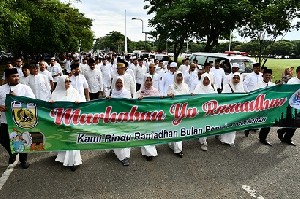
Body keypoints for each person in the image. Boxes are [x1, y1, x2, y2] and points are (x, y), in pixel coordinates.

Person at [0, 68, 35, 169]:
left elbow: (32, 102)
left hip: (21, 120)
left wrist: (18, 98)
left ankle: (23, 160)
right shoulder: (1, 89)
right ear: (7, 78)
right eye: (13, 76)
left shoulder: (25, 88)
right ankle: (12, 153)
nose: (16, 78)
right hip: (5, 119)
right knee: (3, 138)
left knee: (22, 139)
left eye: (17, 76)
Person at [50, 75, 83, 171]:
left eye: (69, 81)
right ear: (61, 82)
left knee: (72, 139)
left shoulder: (74, 91)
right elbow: (50, 107)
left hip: (72, 121)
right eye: (66, 81)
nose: (68, 83)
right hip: (60, 122)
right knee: (63, 139)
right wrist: (51, 103)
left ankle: (73, 161)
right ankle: (63, 157)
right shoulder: (55, 94)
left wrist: (78, 102)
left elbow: (82, 102)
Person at [107, 76, 131, 166]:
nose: (119, 84)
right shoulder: (111, 92)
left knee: (124, 136)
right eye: (117, 82)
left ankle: (124, 157)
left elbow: (130, 104)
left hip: (124, 119)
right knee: (116, 135)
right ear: (114, 83)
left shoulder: (126, 93)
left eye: (121, 82)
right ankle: (117, 151)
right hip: (114, 119)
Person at [136, 75, 160, 161]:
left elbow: (160, 103)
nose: (149, 82)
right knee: (144, 133)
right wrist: (139, 100)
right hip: (143, 117)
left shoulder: (156, 91)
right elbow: (133, 104)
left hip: (153, 116)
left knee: (151, 133)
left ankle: (149, 151)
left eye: (150, 80)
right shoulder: (139, 92)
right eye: (147, 80)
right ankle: (148, 153)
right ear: (144, 81)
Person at [166, 71, 190, 157]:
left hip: (183, 111)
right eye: (178, 76)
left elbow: (188, 97)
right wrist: (169, 95)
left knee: (180, 130)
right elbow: (167, 95)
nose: (179, 78)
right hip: (174, 112)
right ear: (175, 77)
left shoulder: (186, 86)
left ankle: (175, 147)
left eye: (181, 76)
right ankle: (177, 149)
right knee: (176, 130)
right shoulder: (171, 86)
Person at [219, 73, 245, 147]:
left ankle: (231, 141)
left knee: (234, 124)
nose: (236, 79)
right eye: (234, 78)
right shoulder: (227, 86)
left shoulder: (241, 87)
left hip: (236, 109)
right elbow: (223, 96)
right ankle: (223, 139)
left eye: (238, 78)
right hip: (227, 109)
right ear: (232, 78)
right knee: (226, 123)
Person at [192, 73, 217, 151]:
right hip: (201, 111)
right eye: (204, 79)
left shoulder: (213, 87)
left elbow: (217, 97)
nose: (206, 81)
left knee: (208, 125)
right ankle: (203, 142)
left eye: (207, 79)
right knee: (203, 125)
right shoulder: (198, 87)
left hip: (210, 111)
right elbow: (194, 97)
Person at [277, 66, 300, 146]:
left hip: (299, 106)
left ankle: (284, 133)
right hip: (292, 105)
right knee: (294, 122)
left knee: (296, 123)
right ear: (297, 72)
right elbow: (286, 92)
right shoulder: (292, 81)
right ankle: (287, 137)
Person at [254, 69, 275, 146]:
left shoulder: (272, 85)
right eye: (266, 75)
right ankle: (248, 129)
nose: (268, 77)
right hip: (260, 107)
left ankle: (263, 138)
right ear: (263, 76)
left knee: (267, 124)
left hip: (269, 108)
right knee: (255, 121)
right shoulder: (258, 85)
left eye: (269, 75)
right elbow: (254, 95)